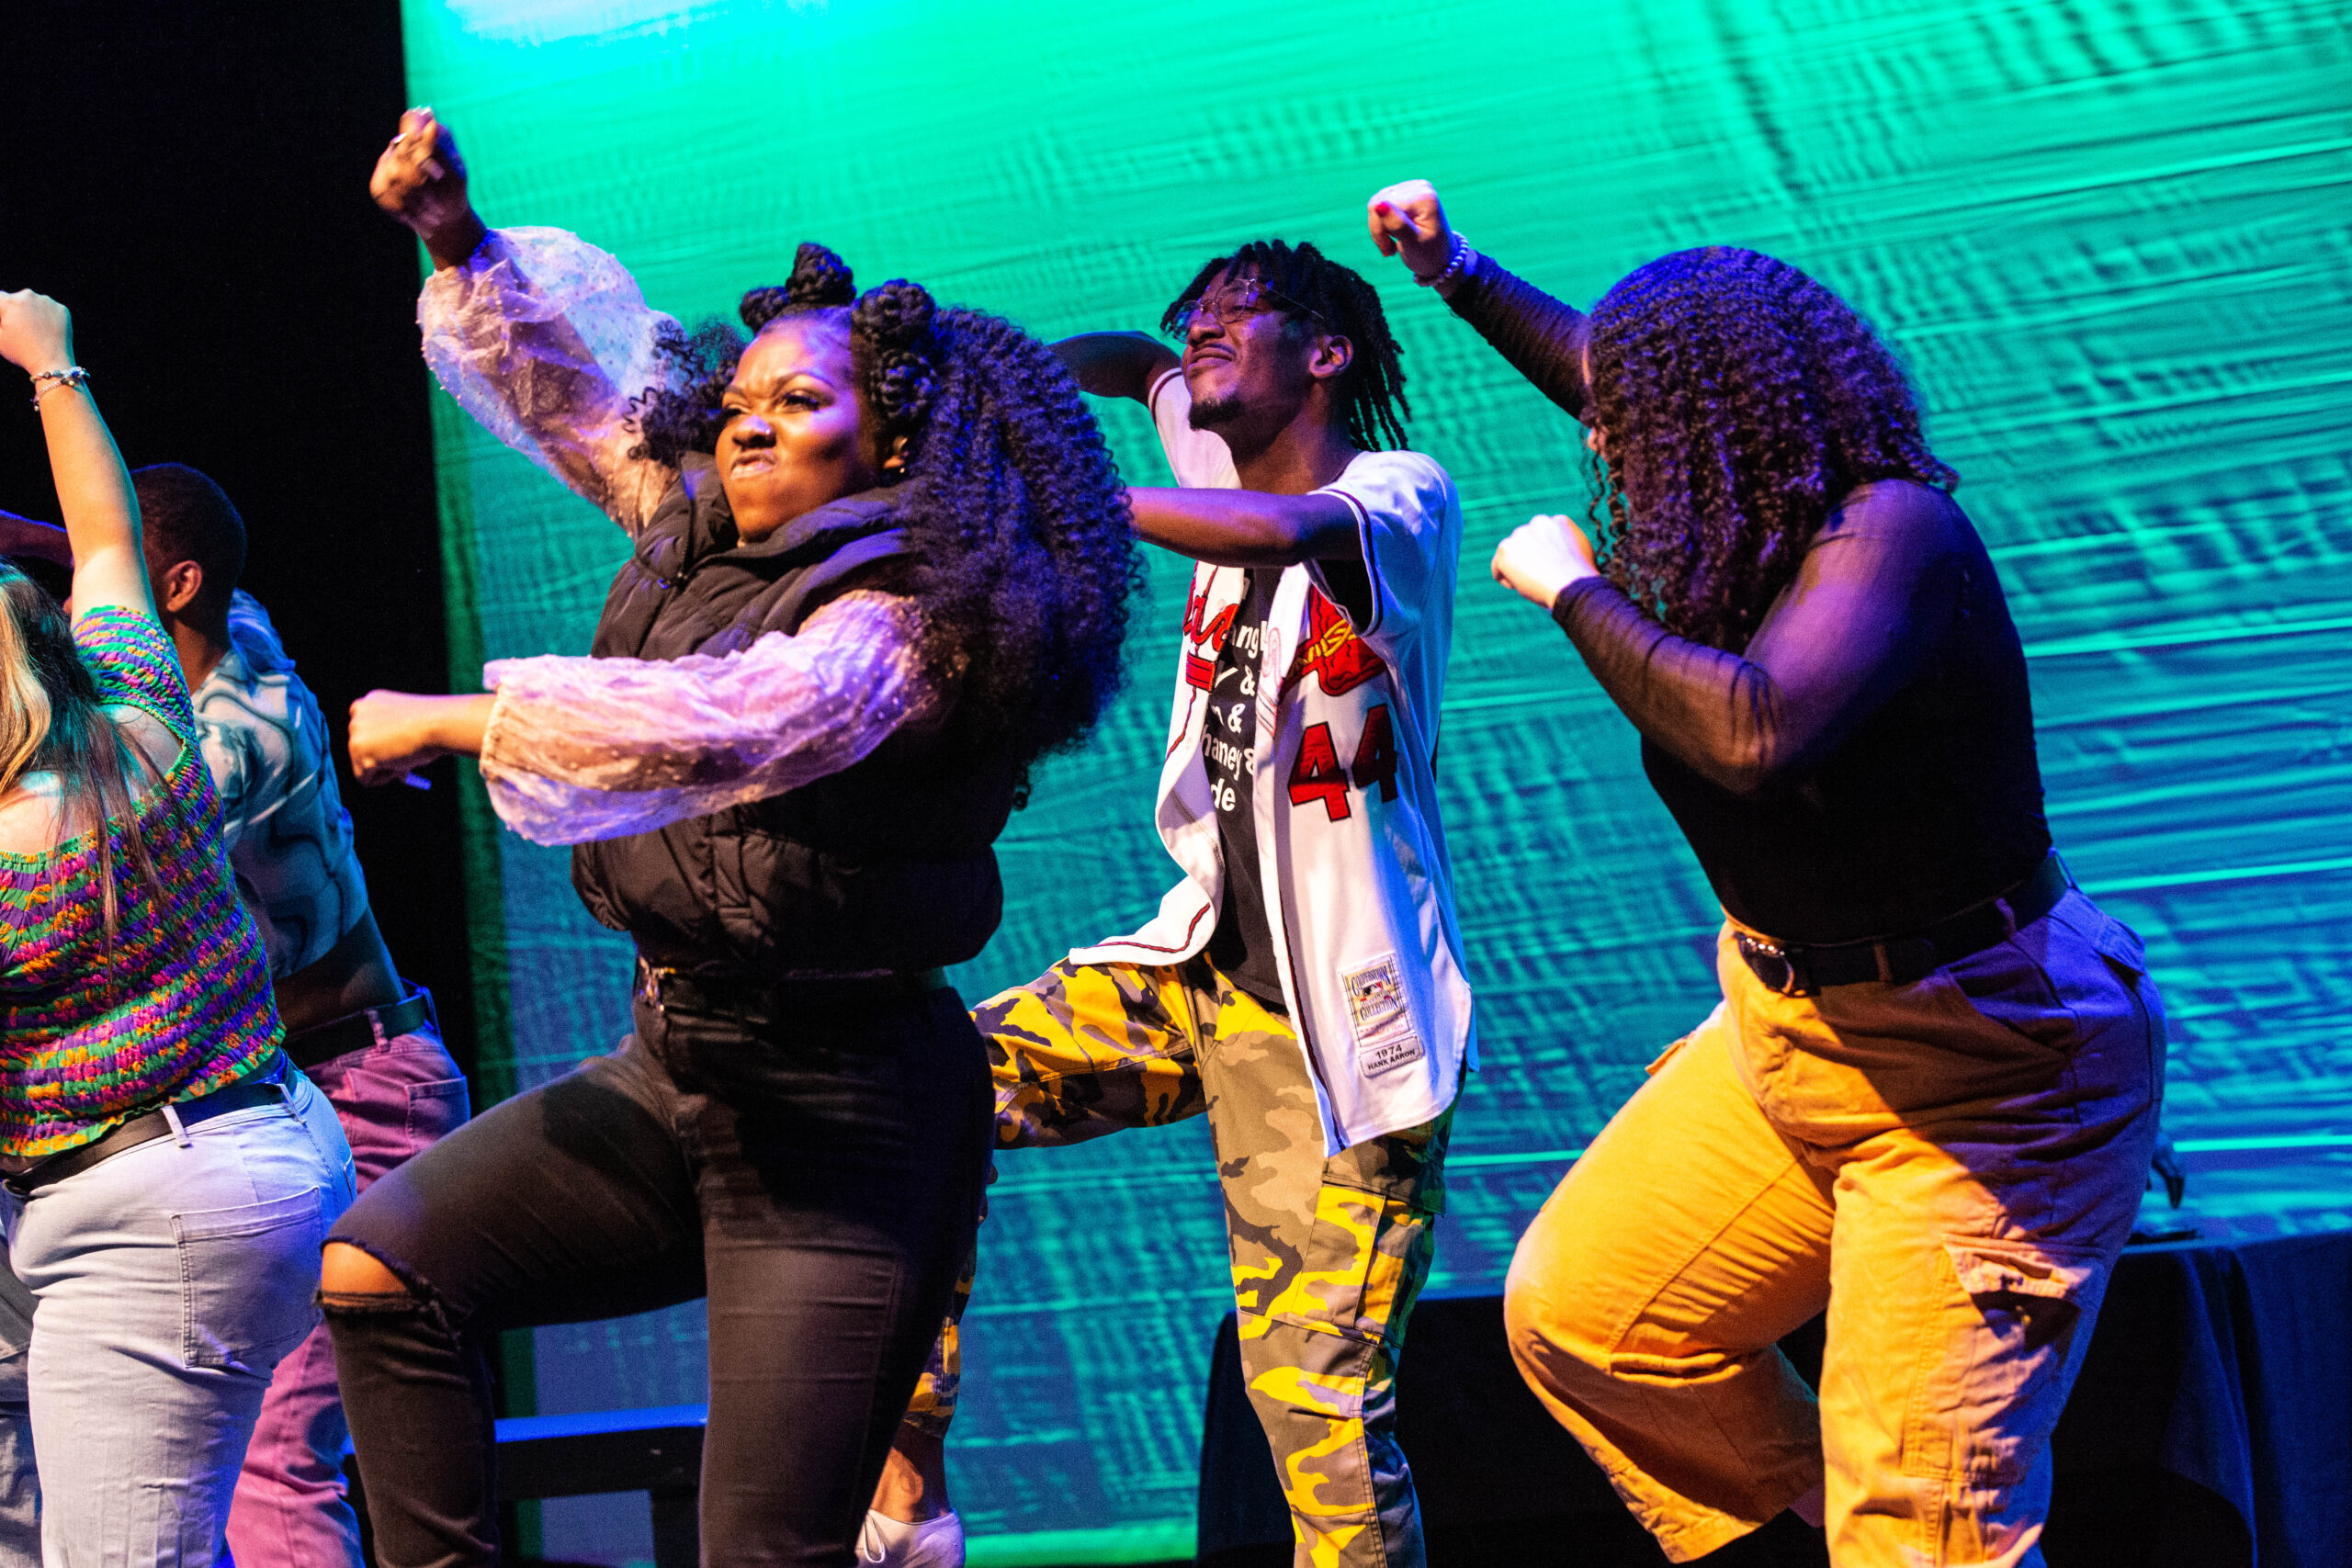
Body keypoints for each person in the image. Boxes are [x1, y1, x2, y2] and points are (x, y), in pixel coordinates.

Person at [322, 109, 1136, 1568]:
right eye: (741, 396)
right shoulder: (709, 537)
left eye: (799, 404)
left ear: (891, 443)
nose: (748, 421)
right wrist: (458, 236)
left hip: (845, 1119)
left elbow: (731, 721)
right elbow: (579, 410)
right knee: (384, 1267)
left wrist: (453, 721)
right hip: (677, 1065)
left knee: (765, 1548)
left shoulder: (913, 626)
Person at [1364, 181, 2165, 1565]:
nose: (1603, 435)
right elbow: (1596, 370)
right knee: (1591, 1314)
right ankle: (1863, 1508)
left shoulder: (1892, 534)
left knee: (1920, 1522)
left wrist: (1573, 588)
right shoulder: (1749, 530)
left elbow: (1755, 733)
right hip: (1793, 1034)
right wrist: (1459, 271)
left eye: (1631, 415)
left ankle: (1906, 1518)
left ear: (1715, 420)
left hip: (1982, 1072)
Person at [866, 238, 1474, 1568]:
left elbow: (1279, 534)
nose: (1194, 338)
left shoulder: (1396, 498)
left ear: (1327, 353)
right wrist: (999, 389)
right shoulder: (1207, 451)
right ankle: (907, 1493)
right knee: (915, 1087)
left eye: (1231, 319)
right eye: (1192, 320)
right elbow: (1128, 367)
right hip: (1194, 965)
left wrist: (1065, 496)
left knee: (1313, 1395)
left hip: (1338, 1032)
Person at [0, 467, 472, 1566]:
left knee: (273, 1464)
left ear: (179, 587)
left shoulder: (209, 749)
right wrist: (50, 534)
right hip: (265, 1096)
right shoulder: (241, 633)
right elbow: (127, 559)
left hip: (344, 1092)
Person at [0, 288, 356, 1566]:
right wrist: (53, 369)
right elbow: (105, 543)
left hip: (151, 1205)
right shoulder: (146, 713)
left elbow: (98, 547)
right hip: (239, 1143)